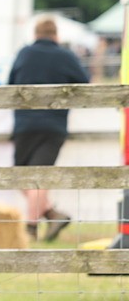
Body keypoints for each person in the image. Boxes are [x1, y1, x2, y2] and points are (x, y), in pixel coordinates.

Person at [9, 17, 90, 240]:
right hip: (54, 124)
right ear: (56, 36)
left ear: (35, 34)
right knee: (40, 175)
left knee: (20, 176)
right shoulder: (66, 56)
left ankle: (32, 225)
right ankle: (50, 214)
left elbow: (9, 83)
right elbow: (85, 82)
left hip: (25, 123)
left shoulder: (24, 53)